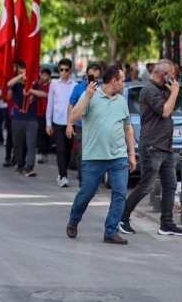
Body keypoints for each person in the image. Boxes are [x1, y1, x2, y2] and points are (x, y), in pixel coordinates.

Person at [66, 65, 136, 244]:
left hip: (118, 156)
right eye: (121, 81)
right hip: (94, 157)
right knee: (87, 193)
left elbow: (128, 127)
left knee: (120, 193)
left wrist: (132, 153)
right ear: (114, 81)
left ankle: (110, 231)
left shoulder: (121, 101)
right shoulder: (91, 95)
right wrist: (87, 97)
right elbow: (73, 118)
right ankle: (74, 220)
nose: (123, 84)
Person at [119, 59, 182, 237]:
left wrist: (171, 91)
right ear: (164, 74)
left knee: (171, 184)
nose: (174, 79)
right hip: (152, 145)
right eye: (172, 75)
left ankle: (166, 224)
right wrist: (174, 93)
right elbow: (164, 111)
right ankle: (122, 217)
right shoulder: (149, 90)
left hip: (165, 147)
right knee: (146, 185)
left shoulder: (161, 90)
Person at [7, 60, 47, 177]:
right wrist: (20, 77)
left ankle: (30, 167)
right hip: (18, 118)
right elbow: (9, 85)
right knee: (18, 144)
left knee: (31, 143)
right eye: (21, 69)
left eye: (25, 70)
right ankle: (20, 165)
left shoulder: (34, 86)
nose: (24, 72)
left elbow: (44, 95)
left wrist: (30, 90)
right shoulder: (16, 85)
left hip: (31, 119)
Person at [68, 62, 103, 186]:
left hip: (97, 127)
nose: (94, 81)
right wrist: (69, 124)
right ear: (86, 75)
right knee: (82, 154)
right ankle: (82, 180)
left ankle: (94, 182)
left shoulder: (102, 89)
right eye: (91, 77)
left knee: (97, 155)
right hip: (82, 126)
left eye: (97, 78)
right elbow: (71, 106)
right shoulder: (78, 88)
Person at [46, 59, 76, 187]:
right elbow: (50, 105)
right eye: (61, 69)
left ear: (70, 70)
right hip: (57, 121)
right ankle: (62, 175)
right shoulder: (54, 85)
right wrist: (48, 123)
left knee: (68, 150)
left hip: (71, 122)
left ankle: (63, 172)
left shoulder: (75, 85)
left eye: (66, 70)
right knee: (61, 149)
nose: (63, 72)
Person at [35, 68, 52, 164]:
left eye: (45, 75)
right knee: (40, 134)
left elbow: (46, 95)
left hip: (48, 114)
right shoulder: (37, 85)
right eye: (42, 75)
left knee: (47, 135)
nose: (43, 77)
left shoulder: (51, 86)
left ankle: (45, 153)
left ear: (49, 77)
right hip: (39, 113)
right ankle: (41, 152)